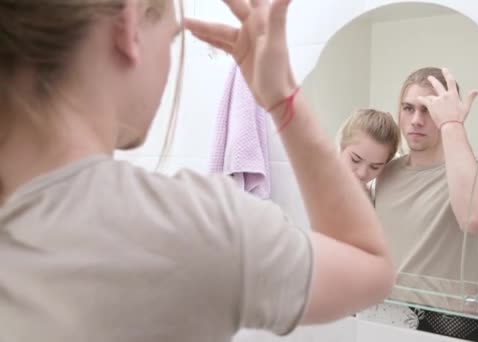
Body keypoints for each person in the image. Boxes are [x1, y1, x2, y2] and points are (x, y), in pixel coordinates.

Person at [0, 1, 394, 341]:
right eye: (172, 38)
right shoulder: (192, 227)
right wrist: (282, 96)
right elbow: (370, 267)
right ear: (128, 25)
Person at [371, 67, 478, 341]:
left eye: (428, 109)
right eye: (408, 108)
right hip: (382, 321)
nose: (416, 120)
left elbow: (477, 217)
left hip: (446, 329)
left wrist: (452, 125)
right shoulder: (383, 173)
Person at [337, 108, 400, 197]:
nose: (362, 173)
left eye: (375, 167)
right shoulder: (315, 184)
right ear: (342, 147)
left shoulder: (375, 198)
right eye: (355, 160)